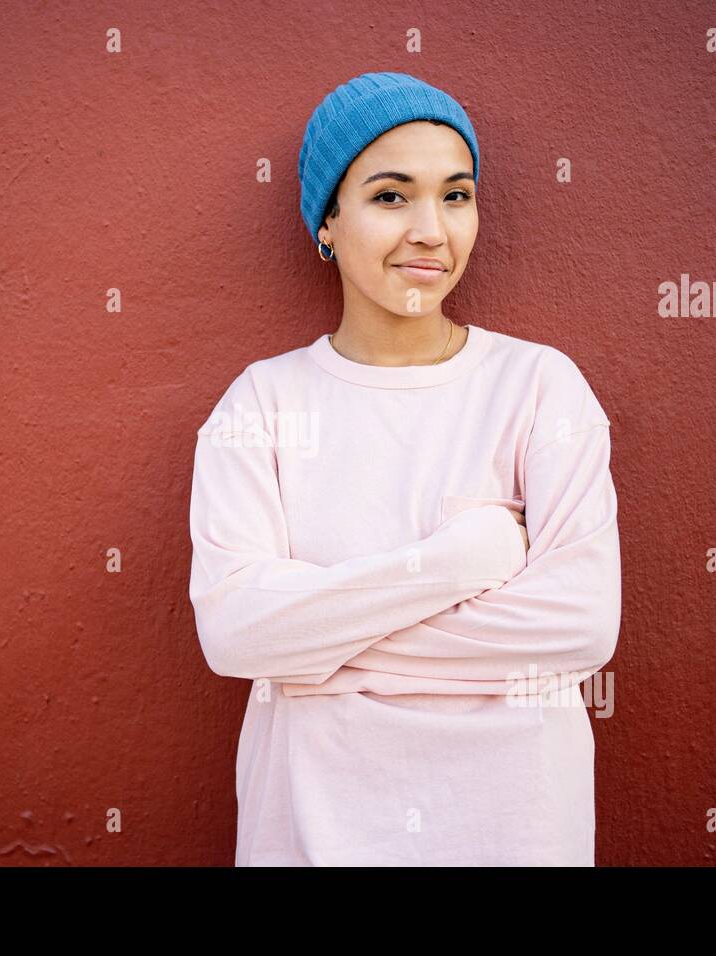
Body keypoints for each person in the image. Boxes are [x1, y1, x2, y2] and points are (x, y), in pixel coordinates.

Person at [187, 71, 621, 866]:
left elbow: (582, 625)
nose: (430, 230)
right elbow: (237, 634)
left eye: (455, 196)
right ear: (327, 221)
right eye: (392, 197)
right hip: (313, 828)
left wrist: (315, 645)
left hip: (516, 826)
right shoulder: (262, 403)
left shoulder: (537, 387)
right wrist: (467, 563)